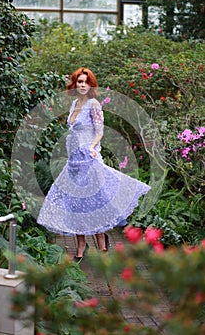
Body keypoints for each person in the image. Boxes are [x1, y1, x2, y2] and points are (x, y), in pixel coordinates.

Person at [37, 67, 151, 262]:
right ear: (74, 84)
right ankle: (81, 245)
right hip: (73, 162)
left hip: (89, 158)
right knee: (75, 203)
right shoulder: (74, 104)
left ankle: (101, 243)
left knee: (95, 202)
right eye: (79, 82)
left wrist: (90, 147)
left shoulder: (93, 104)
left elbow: (99, 131)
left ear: (91, 85)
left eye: (86, 82)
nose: (82, 85)